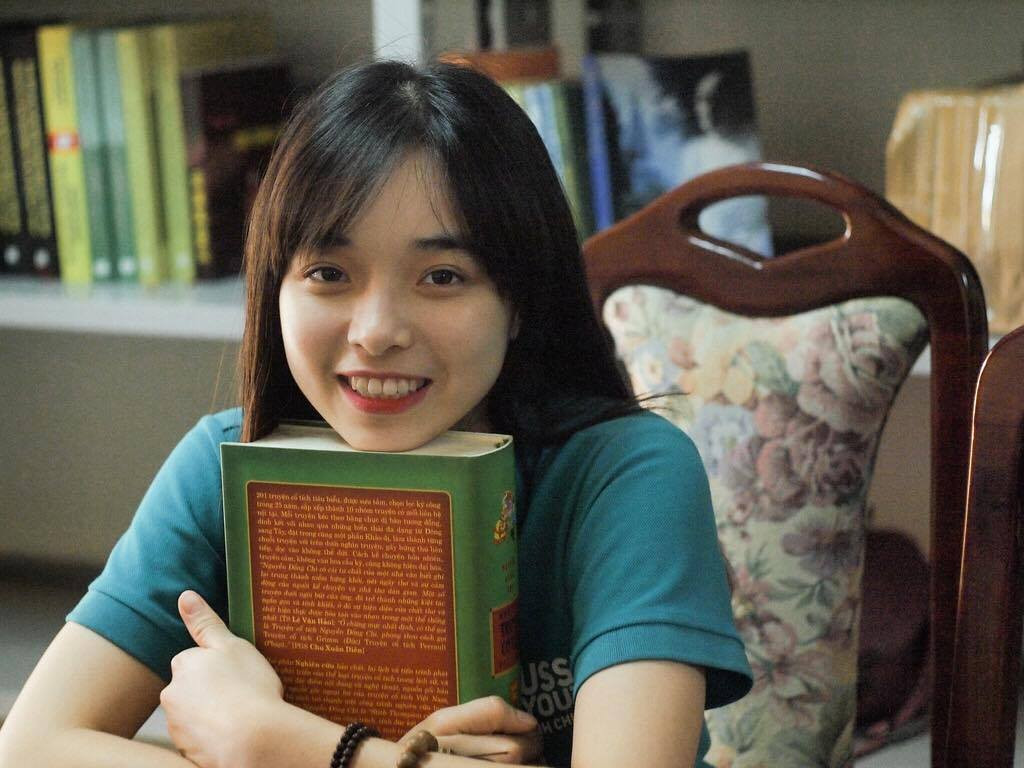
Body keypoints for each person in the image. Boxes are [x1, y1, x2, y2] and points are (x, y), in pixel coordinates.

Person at [0, 60, 752, 768]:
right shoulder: (222, 466)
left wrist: (278, 744)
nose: (377, 331)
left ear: (519, 299)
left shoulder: (626, 475)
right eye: (329, 273)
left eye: (442, 276)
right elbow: (31, 746)